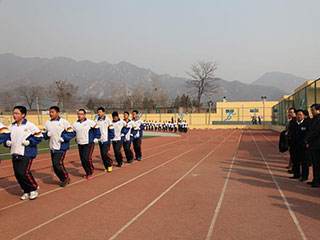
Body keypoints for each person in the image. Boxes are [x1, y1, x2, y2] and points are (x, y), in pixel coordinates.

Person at [4, 106, 43, 200]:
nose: (14, 115)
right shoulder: (11, 126)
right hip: (15, 152)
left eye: (17, 113)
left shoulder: (29, 125)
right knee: (17, 174)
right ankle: (26, 190)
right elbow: (6, 138)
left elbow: (39, 136)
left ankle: (33, 189)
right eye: (14, 113)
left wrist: (30, 142)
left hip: (27, 152)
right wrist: (7, 142)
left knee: (23, 172)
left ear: (23, 115)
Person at [43, 106, 76, 187]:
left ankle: (65, 178)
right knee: (56, 165)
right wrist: (46, 134)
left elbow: (72, 133)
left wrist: (64, 138)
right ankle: (63, 178)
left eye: (52, 112)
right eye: (50, 112)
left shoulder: (64, 122)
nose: (50, 114)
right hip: (52, 146)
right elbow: (43, 135)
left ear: (57, 113)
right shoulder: (47, 123)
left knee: (57, 163)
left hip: (61, 147)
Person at [73, 109, 101, 180]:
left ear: (84, 115)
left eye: (81, 114)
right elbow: (73, 132)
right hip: (80, 143)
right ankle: (87, 171)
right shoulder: (75, 124)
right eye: (78, 114)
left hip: (89, 143)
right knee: (82, 160)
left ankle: (90, 172)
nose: (79, 115)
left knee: (86, 158)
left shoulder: (90, 122)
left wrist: (96, 137)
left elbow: (97, 129)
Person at [288, 109, 310, 181]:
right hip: (294, 146)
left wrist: (306, 143)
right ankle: (296, 174)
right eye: (297, 114)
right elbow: (290, 134)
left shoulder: (307, 124)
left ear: (304, 116)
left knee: (304, 162)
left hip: (303, 147)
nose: (299, 116)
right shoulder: (293, 123)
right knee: (295, 161)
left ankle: (304, 177)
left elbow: (309, 135)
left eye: (300, 115)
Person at [305, 104, 320, 187]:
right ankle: (315, 179)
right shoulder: (314, 119)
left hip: (317, 145)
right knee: (315, 164)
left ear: (318, 110)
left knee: (317, 164)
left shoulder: (318, 119)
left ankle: (317, 181)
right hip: (314, 145)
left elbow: (315, 132)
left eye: (313, 110)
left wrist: (307, 139)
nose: (311, 112)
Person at [96, 107, 114, 173]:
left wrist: (110, 137)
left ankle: (109, 165)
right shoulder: (96, 119)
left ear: (103, 112)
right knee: (102, 154)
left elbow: (111, 129)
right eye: (98, 112)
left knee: (104, 154)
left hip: (106, 140)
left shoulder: (107, 120)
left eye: (100, 112)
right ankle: (106, 166)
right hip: (100, 140)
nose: (99, 113)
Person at [286, 107, 297, 173]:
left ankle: (295, 169)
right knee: (292, 154)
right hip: (291, 140)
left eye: (291, 112)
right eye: (289, 112)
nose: (289, 113)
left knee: (295, 156)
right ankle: (292, 167)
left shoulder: (296, 121)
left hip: (295, 141)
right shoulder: (291, 120)